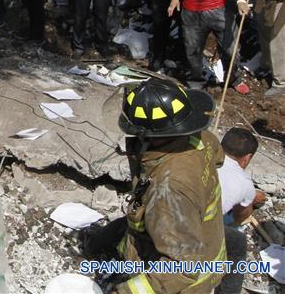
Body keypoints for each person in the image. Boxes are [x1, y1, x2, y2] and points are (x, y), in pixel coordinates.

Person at [82, 78, 225, 292]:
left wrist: (124, 292)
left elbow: (183, 270)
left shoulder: (168, 189)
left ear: (153, 136)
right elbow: (218, 159)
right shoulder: (199, 137)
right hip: (204, 244)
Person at [217, 128, 265, 294]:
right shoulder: (245, 182)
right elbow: (241, 215)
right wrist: (249, 198)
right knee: (238, 244)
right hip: (197, 228)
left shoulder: (202, 157)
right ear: (247, 158)